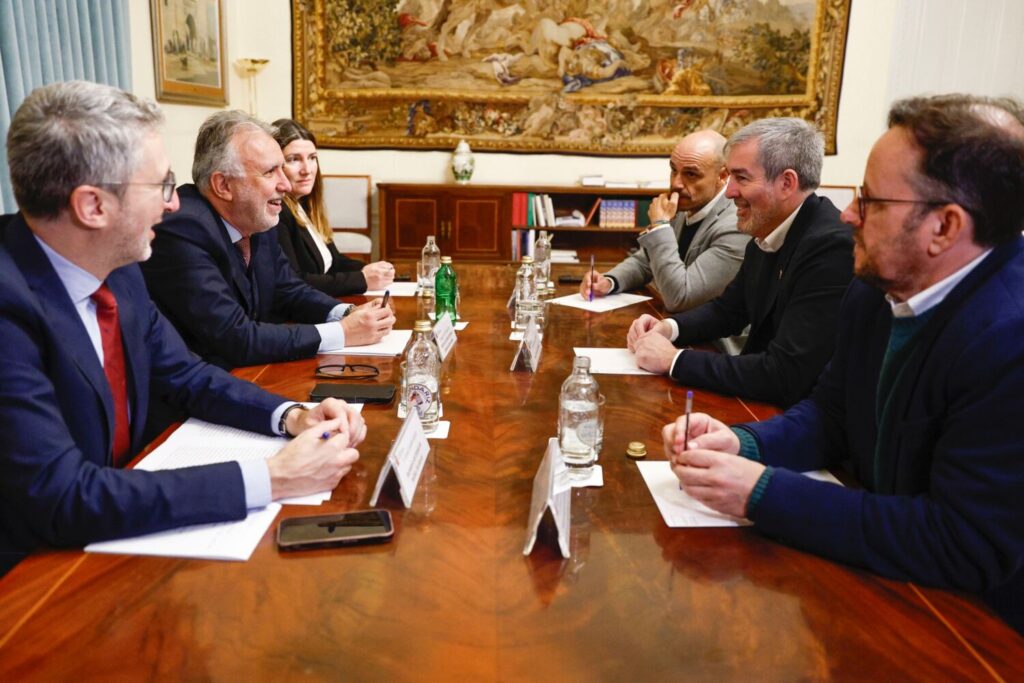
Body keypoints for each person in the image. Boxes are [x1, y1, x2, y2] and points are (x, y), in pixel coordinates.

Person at [664, 94, 1024, 633]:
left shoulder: (1010, 338)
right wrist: (743, 444)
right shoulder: (874, 286)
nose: (849, 213)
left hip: (970, 628)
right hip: (879, 578)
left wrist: (760, 490)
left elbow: (961, 542)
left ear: (945, 228)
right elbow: (830, 416)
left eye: (872, 200)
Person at [0, 81, 365, 571]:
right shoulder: (8, 303)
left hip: (120, 529)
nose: (174, 205)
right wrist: (271, 479)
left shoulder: (118, 267)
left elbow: (187, 375)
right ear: (93, 207)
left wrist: (293, 415)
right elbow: (62, 496)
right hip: (32, 576)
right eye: (161, 186)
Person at [141, 111, 395, 370]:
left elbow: (287, 289)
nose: (285, 185)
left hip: (248, 374)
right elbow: (235, 337)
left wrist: (347, 313)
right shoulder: (183, 229)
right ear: (224, 186)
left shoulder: (256, 217)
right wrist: (343, 333)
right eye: (271, 172)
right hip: (197, 393)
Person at [627, 118, 853, 407]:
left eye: (741, 178)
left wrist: (674, 359)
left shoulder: (831, 248)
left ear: (786, 183)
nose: (730, 191)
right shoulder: (768, 226)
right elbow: (729, 310)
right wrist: (669, 328)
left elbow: (784, 374)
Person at [581, 129, 748, 313]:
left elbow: (680, 298)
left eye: (691, 174)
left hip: (713, 340)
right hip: (674, 326)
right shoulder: (687, 205)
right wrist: (610, 281)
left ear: (722, 176)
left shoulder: (735, 225)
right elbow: (646, 260)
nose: (676, 183)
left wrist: (660, 227)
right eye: (673, 170)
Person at [272, 118, 395, 297]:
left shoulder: (305, 204)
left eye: (312, 158)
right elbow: (294, 282)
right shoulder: (277, 213)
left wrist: (370, 269)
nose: (307, 169)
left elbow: (334, 261)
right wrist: (362, 279)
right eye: (294, 159)